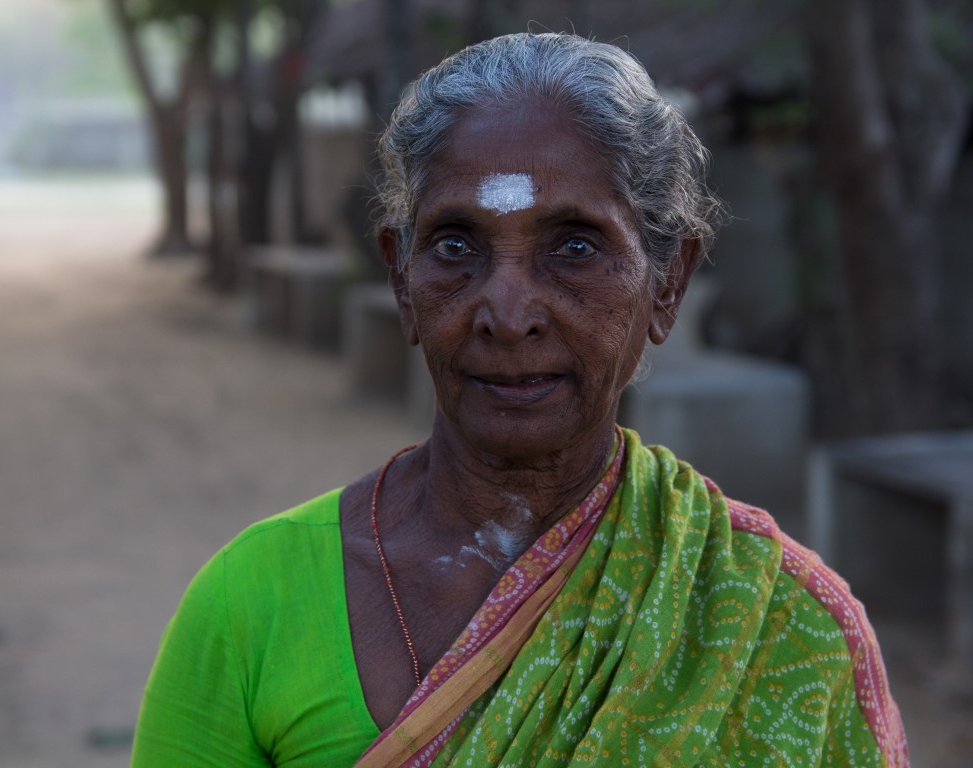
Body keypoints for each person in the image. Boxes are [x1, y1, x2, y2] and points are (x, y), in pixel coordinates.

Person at [129, 33, 909, 767]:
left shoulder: (780, 621)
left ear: (667, 282)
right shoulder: (250, 605)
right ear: (402, 280)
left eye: (574, 247)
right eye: (456, 246)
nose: (508, 314)